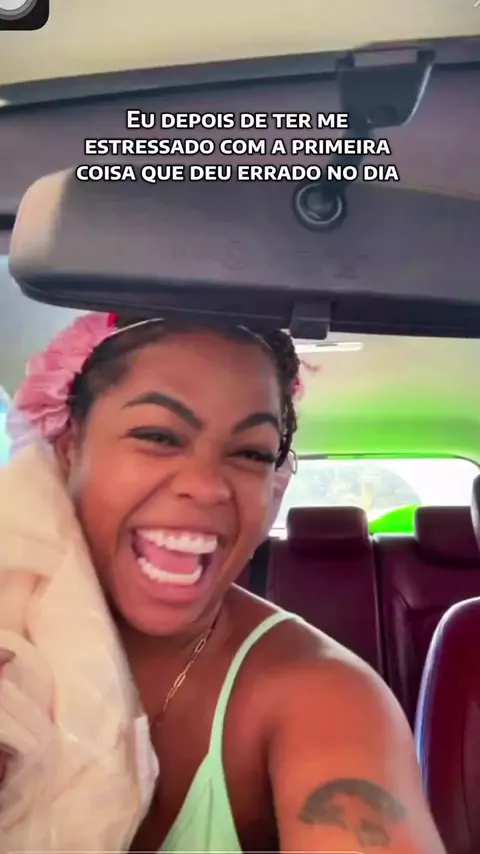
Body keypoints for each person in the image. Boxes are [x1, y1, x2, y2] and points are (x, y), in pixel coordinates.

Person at [2, 311, 446, 854]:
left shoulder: (324, 694)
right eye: (158, 436)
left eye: (250, 453)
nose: (208, 486)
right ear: (69, 448)